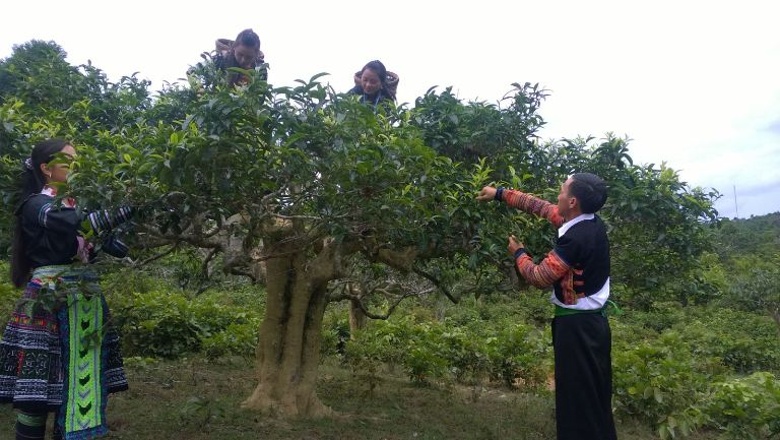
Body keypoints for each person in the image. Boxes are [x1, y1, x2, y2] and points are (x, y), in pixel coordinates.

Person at [0, 139, 133, 440]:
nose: (76, 166)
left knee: (78, 385)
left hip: (85, 300)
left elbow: (117, 247)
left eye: (77, 159)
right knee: (37, 394)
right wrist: (127, 208)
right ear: (46, 169)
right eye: (68, 161)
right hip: (47, 301)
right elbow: (78, 224)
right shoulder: (37, 205)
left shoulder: (77, 204)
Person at [476, 173, 617, 440]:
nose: (558, 195)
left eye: (562, 191)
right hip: (591, 326)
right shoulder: (585, 221)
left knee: (577, 402)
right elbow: (540, 207)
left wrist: (519, 252)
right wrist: (500, 193)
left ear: (573, 201)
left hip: (579, 331)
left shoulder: (576, 238)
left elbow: (539, 276)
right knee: (593, 398)